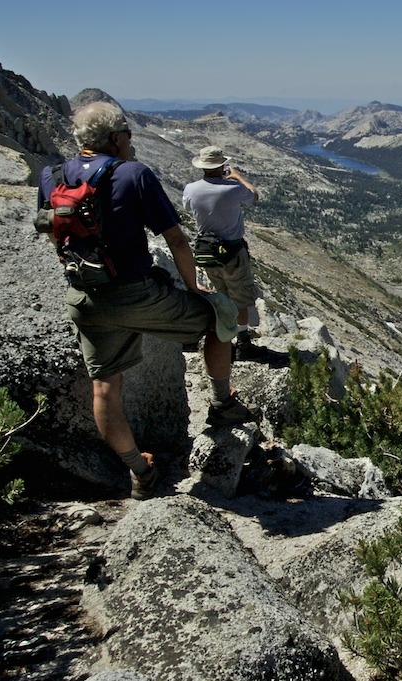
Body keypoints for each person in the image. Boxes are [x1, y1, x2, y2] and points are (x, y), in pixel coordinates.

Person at [36, 102, 261, 500]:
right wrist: (194, 289)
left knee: (105, 389)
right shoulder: (132, 174)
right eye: (128, 133)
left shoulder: (50, 176)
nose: (131, 140)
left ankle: (140, 471)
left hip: (86, 297)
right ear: (115, 138)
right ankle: (223, 403)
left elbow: (56, 234)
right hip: (137, 293)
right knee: (220, 316)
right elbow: (175, 239)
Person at [182, 146, 263, 360]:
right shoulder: (232, 189)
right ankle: (244, 341)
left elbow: (188, 208)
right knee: (241, 297)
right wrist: (237, 176)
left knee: (221, 294)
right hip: (232, 252)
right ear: (221, 166)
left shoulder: (191, 189)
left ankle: (225, 339)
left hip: (206, 252)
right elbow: (254, 196)